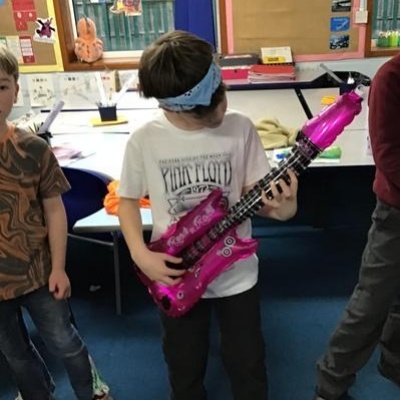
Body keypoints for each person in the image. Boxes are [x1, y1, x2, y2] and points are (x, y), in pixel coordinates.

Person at [118, 30, 298, 400]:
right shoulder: (144, 140)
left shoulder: (240, 127)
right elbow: (128, 201)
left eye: (222, 96)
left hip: (236, 274)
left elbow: (260, 200)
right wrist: (139, 254)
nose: (221, 110)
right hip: (175, 270)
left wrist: (285, 206)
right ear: (169, 107)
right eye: (207, 110)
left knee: (248, 363)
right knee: (183, 366)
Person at [0, 45, 112, 400]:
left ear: (16, 89)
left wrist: (60, 268)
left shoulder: (33, 149)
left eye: (1, 86)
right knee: (15, 354)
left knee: (64, 341)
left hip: (38, 271)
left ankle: (92, 391)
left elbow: (54, 209)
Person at [312, 54, 400, 400]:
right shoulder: (391, 76)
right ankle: (330, 384)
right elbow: (387, 154)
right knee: (371, 302)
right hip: (396, 212)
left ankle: (394, 362)